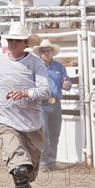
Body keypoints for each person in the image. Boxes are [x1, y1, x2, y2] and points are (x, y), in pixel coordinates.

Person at [0, 22, 50, 188]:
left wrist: (26, 93)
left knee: (29, 171)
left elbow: (45, 91)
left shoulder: (35, 63)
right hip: (6, 122)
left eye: (16, 40)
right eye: (9, 40)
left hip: (32, 125)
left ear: (25, 43)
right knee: (19, 168)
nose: (12, 43)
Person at [33, 39, 71, 171]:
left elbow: (67, 84)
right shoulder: (37, 67)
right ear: (40, 53)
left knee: (54, 133)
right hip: (42, 103)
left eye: (48, 51)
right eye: (43, 51)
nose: (45, 53)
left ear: (52, 52)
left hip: (56, 103)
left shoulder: (59, 67)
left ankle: (51, 161)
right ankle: (43, 162)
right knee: (45, 132)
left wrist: (67, 85)